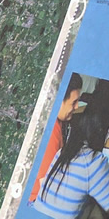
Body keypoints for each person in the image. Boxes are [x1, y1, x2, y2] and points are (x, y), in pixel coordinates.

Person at [32, 94, 109, 219]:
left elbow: (77, 182)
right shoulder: (94, 161)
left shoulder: (66, 150)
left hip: (37, 218)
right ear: (102, 128)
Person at [28, 72, 84, 204]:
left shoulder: (54, 121)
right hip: (36, 199)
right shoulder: (50, 133)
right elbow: (48, 186)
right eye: (74, 102)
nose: (76, 107)